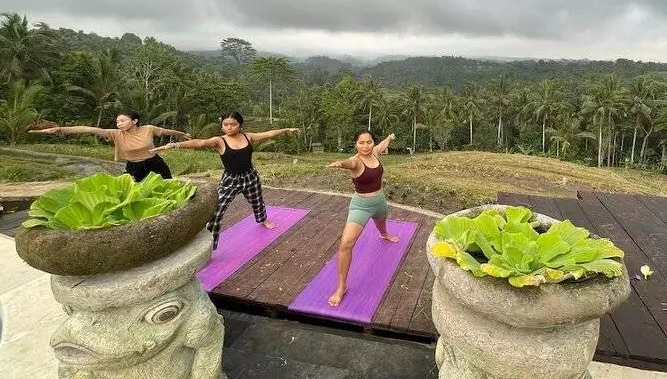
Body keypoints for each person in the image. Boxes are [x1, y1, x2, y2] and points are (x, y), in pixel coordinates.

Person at [150, 112, 299, 249]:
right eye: (225, 124)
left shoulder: (248, 136)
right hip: (230, 180)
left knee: (257, 200)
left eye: (233, 124)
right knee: (217, 210)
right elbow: (199, 143)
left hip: (250, 176)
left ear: (240, 125)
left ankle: (262, 218)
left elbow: (268, 134)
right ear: (221, 126)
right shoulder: (219, 141)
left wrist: (286, 130)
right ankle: (210, 244)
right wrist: (173, 145)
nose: (229, 127)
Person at [325, 130, 399, 307]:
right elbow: (348, 163)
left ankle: (384, 233)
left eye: (368, 142)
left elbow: (382, 146)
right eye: (361, 143)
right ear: (355, 144)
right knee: (346, 244)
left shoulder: (374, 152)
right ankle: (341, 287)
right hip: (361, 207)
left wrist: (389, 138)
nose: (365, 146)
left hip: (380, 201)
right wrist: (340, 164)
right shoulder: (355, 162)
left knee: (382, 223)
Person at [28, 111, 189, 182]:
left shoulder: (148, 129)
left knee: (168, 185)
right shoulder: (115, 134)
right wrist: (61, 129)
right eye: (117, 121)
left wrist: (180, 134)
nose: (119, 124)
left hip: (155, 163)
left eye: (123, 121)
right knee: (137, 192)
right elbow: (89, 129)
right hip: (134, 167)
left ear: (134, 121)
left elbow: (167, 131)